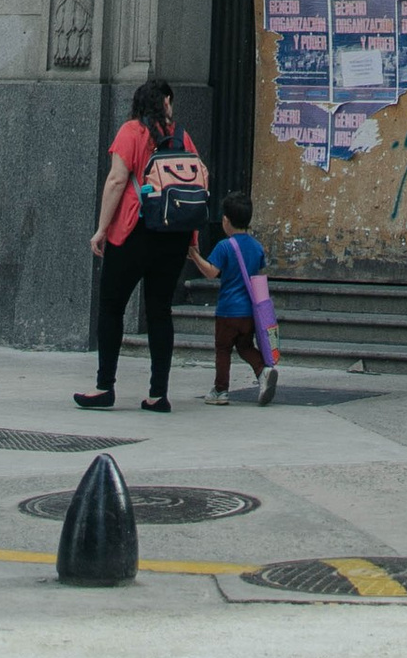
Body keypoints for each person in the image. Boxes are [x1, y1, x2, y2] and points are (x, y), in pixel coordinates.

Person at [74, 75, 205, 415]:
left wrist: (102, 229)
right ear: (165, 104)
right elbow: (193, 187)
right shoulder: (182, 136)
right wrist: (192, 240)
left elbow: (118, 180)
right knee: (160, 311)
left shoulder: (131, 132)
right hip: (173, 235)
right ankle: (158, 394)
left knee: (112, 307)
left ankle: (105, 387)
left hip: (134, 231)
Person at [189, 189, 277, 404]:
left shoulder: (225, 246)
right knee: (245, 346)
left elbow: (211, 272)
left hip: (228, 309)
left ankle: (220, 390)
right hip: (249, 312)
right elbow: (259, 274)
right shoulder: (256, 247)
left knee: (223, 348)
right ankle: (263, 370)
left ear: (226, 220)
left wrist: (194, 255)